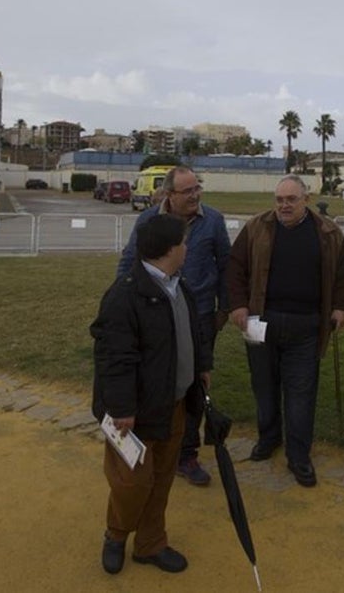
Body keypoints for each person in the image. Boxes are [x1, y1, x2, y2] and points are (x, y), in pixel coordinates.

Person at [91, 213, 208, 576]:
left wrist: (201, 367)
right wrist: (122, 408)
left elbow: (191, 332)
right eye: (184, 242)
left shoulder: (178, 286)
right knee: (132, 484)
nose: (187, 248)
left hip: (172, 406)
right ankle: (115, 535)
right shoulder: (125, 295)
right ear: (169, 249)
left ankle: (150, 544)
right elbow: (115, 357)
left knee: (161, 480)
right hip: (133, 416)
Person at [227, 174, 344, 488]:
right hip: (260, 323)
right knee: (264, 387)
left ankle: (299, 456)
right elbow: (235, 268)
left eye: (291, 200)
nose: (284, 206)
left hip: (306, 326)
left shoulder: (327, 232)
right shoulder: (257, 227)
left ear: (306, 200)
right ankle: (268, 439)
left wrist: (342, 306)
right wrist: (238, 306)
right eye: (279, 200)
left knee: (300, 394)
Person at [117, 166, 230, 488]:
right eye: (188, 191)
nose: (195, 195)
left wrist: (225, 308)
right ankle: (158, 447)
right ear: (169, 195)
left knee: (195, 383)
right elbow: (130, 259)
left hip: (201, 316)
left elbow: (225, 264)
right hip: (156, 318)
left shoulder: (213, 220)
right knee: (159, 381)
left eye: (198, 188)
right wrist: (120, 298)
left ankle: (187, 455)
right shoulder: (148, 220)